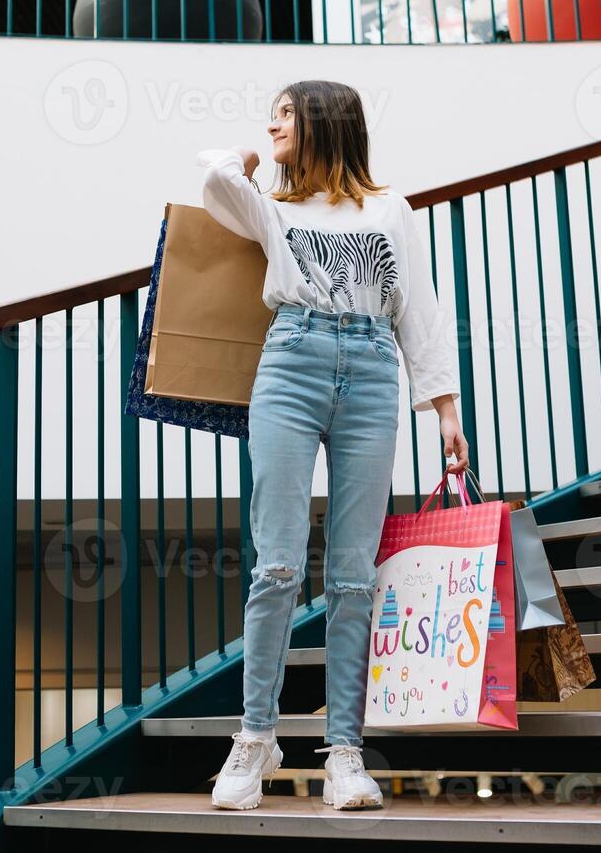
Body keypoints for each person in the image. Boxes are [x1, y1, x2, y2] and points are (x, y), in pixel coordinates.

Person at [195, 79, 469, 812]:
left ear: (324, 121)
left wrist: (445, 408)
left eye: (286, 113)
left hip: (374, 370)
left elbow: (421, 309)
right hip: (291, 362)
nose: (273, 123)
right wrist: (257, 151)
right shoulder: (273, 207)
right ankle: (255, 738)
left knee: (353, 576)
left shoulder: (388, 209)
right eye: (274, 114)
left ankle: (344, 752)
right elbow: (217, 176)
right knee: (276, 564)